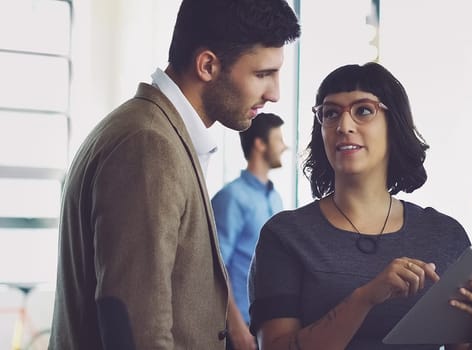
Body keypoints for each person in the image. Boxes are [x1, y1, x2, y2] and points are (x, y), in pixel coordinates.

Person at [48, 0, 300, 348]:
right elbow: (137, 328)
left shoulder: (161, 133)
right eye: (263, 74)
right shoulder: (149, 145)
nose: (275, 94)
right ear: (208, 65)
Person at [248, 62, 472, 350]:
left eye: (363, 110)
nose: (343, 126)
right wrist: (365, 298)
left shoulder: (444, 235)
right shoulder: (285, 235)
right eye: (330, 113)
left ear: (393, 124)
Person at [212, 112, 287, 350]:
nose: (285, 146)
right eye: (279, 140)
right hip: (240, 327)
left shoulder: (275, 198)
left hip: (267, 323)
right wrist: (236, 327)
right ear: (260, 144)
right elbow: (216, 266)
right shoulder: (231, 198)